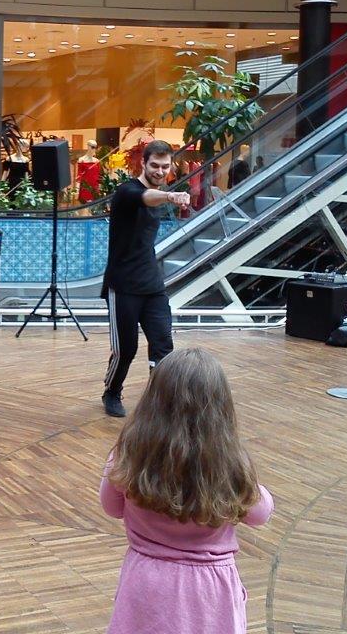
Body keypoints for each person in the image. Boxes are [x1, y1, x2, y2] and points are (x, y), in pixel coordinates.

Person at [100, 347, 273, 633]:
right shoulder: (229, 462)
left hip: (146, 581)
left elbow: (111, 507)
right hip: (208, 591)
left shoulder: (128, 452)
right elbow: (260, 514)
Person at [100, 140, 189, 418]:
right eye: (155, 166)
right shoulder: (127, 192)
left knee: (163, 346)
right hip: (123, 285)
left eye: (165, 166)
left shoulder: (156, 192)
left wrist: (167, 196)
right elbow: (145, 197)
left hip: (152, 285)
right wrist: (171, 197)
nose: (160, 171)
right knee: (126, 349)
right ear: (143, 163)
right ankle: (111, 391)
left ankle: (159, 402)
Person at [76, 140, 101, 204]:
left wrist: (99, 185)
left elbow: (98, 174)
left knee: (95, 203)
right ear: (88, 147)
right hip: (86, 185)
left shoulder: (96, 161)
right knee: (85, 204)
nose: (94, 149)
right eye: (92, 147)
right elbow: (79, 174)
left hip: (95, 185)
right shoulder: (81, 160)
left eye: (95, 147)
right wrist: (77, 186)